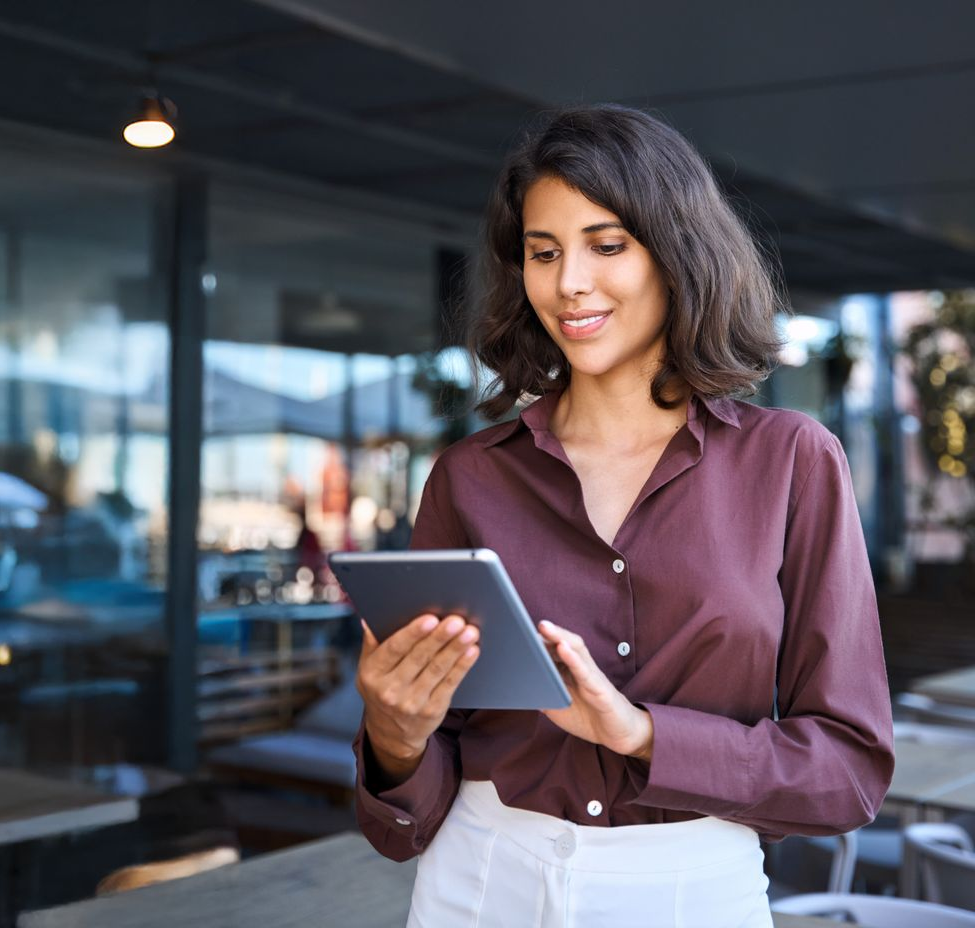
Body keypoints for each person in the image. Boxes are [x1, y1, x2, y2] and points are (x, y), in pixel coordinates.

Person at [350, 104, 895, 928]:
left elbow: (846, 772)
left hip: (689, 885)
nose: (568, 281)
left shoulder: (790, 461)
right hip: (481, 877)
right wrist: (394, 731)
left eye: (606, 245)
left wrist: (643, 735)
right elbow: (406, 818)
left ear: (677, 254)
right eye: (543, 252)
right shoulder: (468, 478)